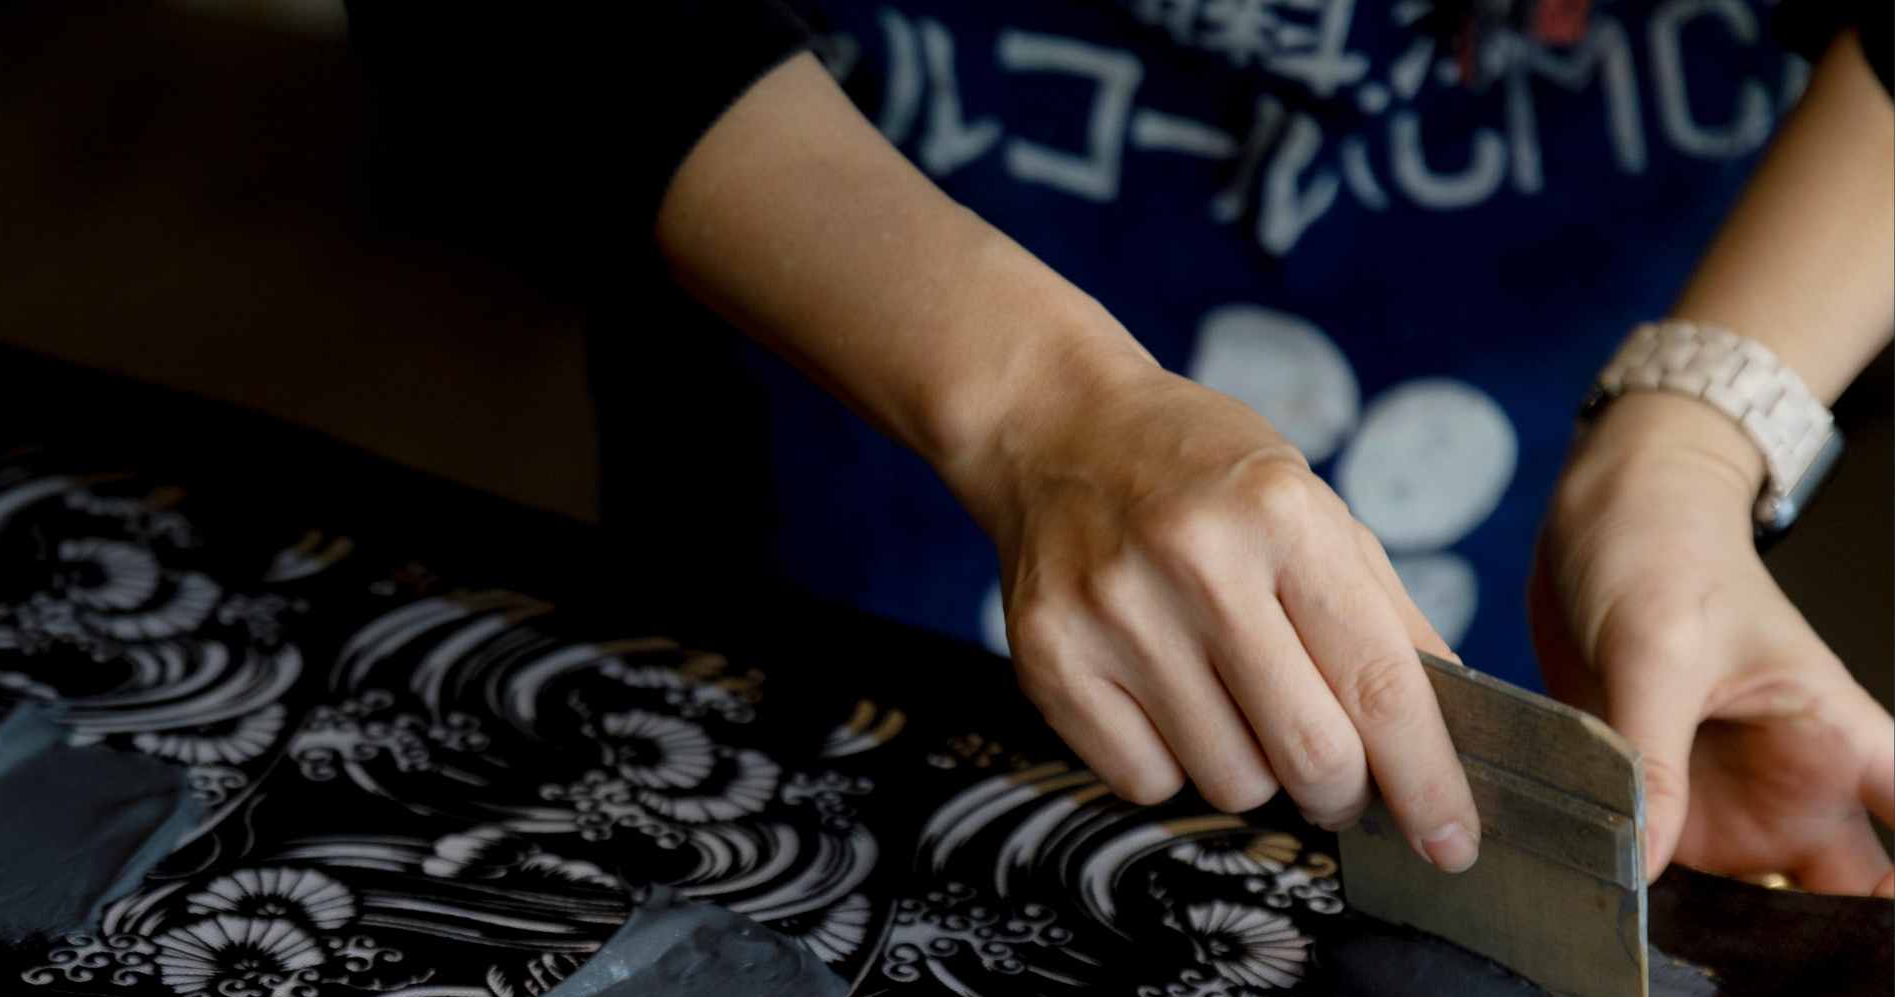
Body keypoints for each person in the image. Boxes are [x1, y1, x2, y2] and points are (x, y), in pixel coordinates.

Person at [353, 1, 1894, 894]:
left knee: (1404, 731)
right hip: (860, 260)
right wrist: (1033, 399)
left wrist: (1693, 440)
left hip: (1581, 258)